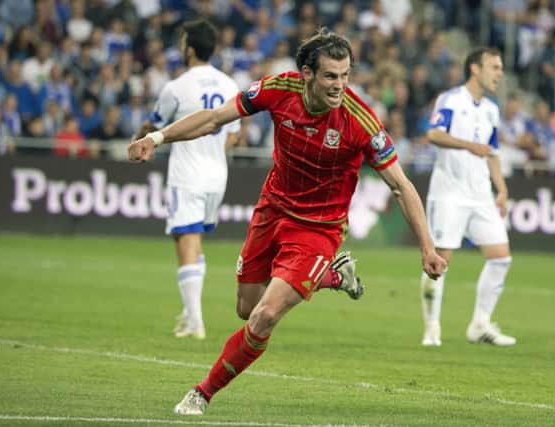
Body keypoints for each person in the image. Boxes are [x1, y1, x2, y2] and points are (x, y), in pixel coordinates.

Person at [128, 28, 447, 415]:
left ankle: (201, 393)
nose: (340, 86)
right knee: (246, 309)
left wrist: (427, 248)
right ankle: (331, 276)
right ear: (307, 74)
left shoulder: (359, 120)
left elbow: (400, 185)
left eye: (346, 75)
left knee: (264, 317)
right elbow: (214, 119)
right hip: (273, 210)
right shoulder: (279, 89)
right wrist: (157, 139)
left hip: (319, 229)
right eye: (331, 76)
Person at [133, 19, 241, 340]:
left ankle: (195, 320)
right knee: (195, 240)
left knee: (185, 241)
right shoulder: (229, 85)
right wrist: (213, 153)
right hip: (216, 175)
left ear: (190, 48)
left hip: (187, 174)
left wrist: (139, 141)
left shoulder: (176, 87)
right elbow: (234, 136)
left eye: (182, 42)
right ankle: (190, 311)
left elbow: (154, 127)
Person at [419, 47, 516, 347]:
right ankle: (432, 328)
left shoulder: (491, 109)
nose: (499, 73)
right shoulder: (451, 99)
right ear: (475, 68)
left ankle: (480, 324)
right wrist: (467, 146)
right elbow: (434, 134)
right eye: (495, 67)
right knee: (439, 263)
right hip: (449, 193)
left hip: (481, 195)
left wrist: (500, 188)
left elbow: (492, 152)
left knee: (501, 258)